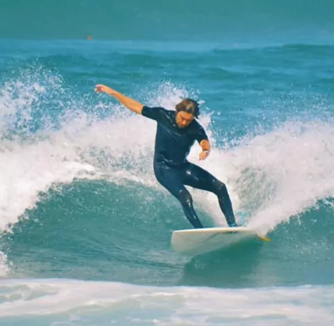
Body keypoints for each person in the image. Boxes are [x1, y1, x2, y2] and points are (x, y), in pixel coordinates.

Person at [95, 84, 238, 229]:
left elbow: (204, 141)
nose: (184, 123)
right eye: (182, 118)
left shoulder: (195, 128)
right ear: (177, 111)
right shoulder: (162, 116)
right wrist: (113, 92)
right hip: (163, 168)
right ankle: (201, 232)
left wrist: (205, 151)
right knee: (186, 197)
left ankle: (233, 225)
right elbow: (136, 106)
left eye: (188, 120)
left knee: (220, 187)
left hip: (183, 167)